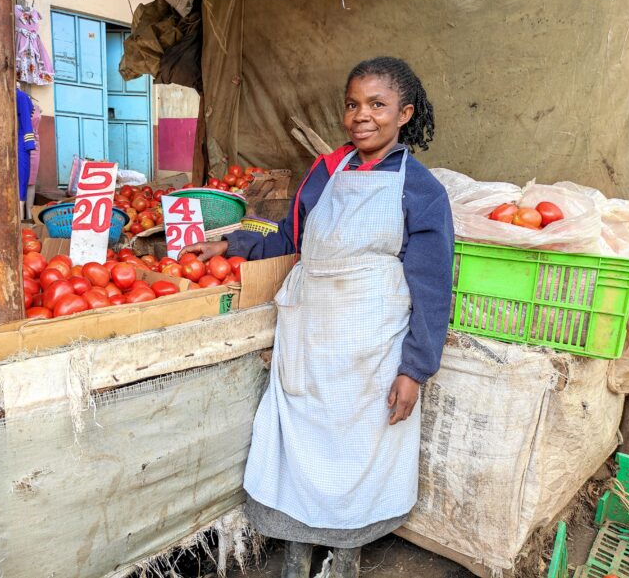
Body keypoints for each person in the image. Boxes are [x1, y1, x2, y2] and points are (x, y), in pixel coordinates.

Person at [180, 57, 454, 578]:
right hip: (308, 340)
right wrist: (231, 244)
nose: (361, 116)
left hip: (371, 349)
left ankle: (344, 562)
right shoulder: (324, 172)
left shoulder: (421, 190)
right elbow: (290, 240)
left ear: (405, 113)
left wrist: (414, 369)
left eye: (377, 104)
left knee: (356, 458)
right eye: (353, 104)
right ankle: (295, 564)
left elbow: (433, 287)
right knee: (300, 455)